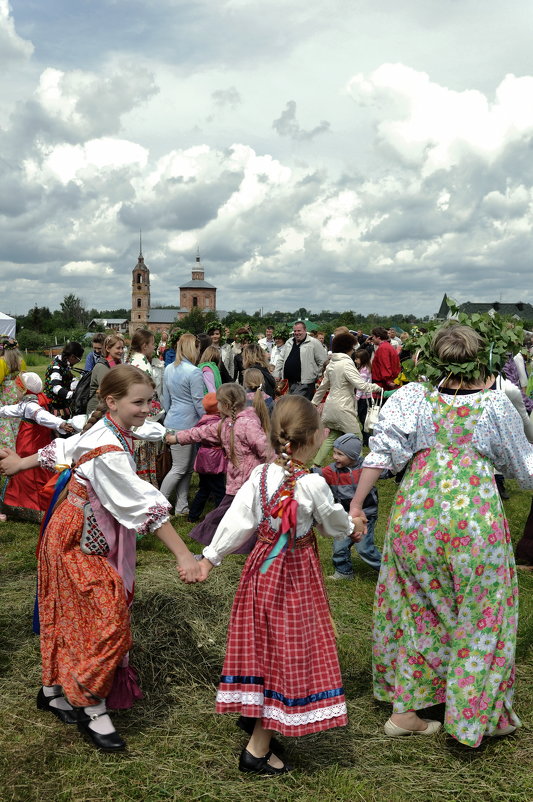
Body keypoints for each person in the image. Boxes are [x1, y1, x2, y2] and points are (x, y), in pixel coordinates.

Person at [349, 323, 533, 746]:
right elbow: (525, 471)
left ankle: (405, 711)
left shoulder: (414, 396)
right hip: (474, 523)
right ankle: (475, 718)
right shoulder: (495, 406)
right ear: (482, 357)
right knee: (483, 615)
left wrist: (357, 504)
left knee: (418, 609)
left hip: (416, 519)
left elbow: (382, 451)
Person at [0, 365, 200, 752]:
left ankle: (52, 690)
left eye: (148, 401)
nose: (146, 409)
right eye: (137, 402)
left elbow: (62, 448)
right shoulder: (108, 449)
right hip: (76, 536)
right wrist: (184, 555)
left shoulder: (108, 428)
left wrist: (20, 463)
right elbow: (143, 505)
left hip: (78, 529)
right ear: (112, 402)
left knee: (72, 610)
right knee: (109, 618)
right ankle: (90, 702)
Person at [186, 395, 364, 775]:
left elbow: (239, 520)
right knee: (288, 650)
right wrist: (353, 528)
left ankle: (253, 715)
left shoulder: (263, 474)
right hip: (294, 576)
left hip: (261, 571)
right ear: (316, 437)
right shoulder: (313, 483)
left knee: (263, 643)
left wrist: (210, 557)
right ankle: (257, 748)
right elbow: (332, 523)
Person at [167, 383, 269, 552]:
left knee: (228, 513)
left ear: (227, 405)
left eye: (219, 403)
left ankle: (214, 541)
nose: (218, 407)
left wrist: (278, 467)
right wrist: (177, 438)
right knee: (237, 513)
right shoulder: (226, 424)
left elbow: (264, 447)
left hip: (249, 481)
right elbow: (201, 432)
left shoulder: (247, 424)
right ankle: (233, 543)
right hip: (235, 480)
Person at [0, 372, 72, 522]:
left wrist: (60, 423)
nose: (17, 392)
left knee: (27, 472)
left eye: (18, 389)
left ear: (25, 390)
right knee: (39, 470)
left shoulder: (31, 405)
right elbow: (11, 410)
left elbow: (42, 416)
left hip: (29, 442)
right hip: (40, 440)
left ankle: (24, 505)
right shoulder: (34, 401)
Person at [313, 434, 382, 577]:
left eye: (340, 454)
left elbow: (383, 470)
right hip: (344, 515)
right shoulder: (332, 471)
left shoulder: (366, 468)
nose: (334, 457)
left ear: (354, 456)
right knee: (339, 546)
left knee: (364, 548)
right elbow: (316, 474)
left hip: (365, 514)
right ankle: (343, 571)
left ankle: (387, 572)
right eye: (334, 452)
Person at [311, 333, 380, 466]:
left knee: (332, 437)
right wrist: (376, 387)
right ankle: (359, 468)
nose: (354, 351)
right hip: (343, 408)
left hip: (331, 407)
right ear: (348, 348)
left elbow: (323, 387)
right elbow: (361, 385)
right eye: (353, 348)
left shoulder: (332, 364)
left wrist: (314, 402)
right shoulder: (347, 364)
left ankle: (315, 465)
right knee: (357, 438)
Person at [160, 333, 204, 516]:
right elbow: (198, 402)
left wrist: (170, 414)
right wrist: (207, 422)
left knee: (185, 468)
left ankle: (182, 506)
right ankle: (159, 505)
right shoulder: (194, 372)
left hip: (172, 420)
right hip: (188, 423)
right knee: (179, 468)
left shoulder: (169, 368)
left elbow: (165, 399)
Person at [127, 329, 163, 486]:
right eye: (152, 343)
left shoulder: (132, 360)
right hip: (142, 417)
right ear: (144, 345)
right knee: (143, 456)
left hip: (130, 414)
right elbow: (148, 394)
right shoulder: (143, 365)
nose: (154, 347)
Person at [187, 392, 227, 523]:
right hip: (214, 460)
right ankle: (221, 517)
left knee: (204, 488)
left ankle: (193, 515)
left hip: (203, 458)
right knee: (220, 489)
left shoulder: (202, 420)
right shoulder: (217, 424)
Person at [274, 321, 327, 400]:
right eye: (295, 331)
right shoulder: (289, 342)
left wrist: (316, 375)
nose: (296, 333)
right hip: (288, 383)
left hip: (304, 384)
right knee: (289, 406)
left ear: (305, 330)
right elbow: (281, 359)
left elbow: (323, 362)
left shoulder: (314, 343)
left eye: (299, 331)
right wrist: (276, 373)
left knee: (298, 407)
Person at [44, 341, 85, 418]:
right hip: (54, 405)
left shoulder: (64, 364)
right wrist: (72, 395)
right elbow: (55, 388)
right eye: (79, 359)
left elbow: (66, 378)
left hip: (61, 403)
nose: (78, 362)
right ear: (72, 357)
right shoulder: (56, 367)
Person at [86, 334, 124, 415]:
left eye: (122, 348)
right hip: (97, 409)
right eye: (118, 348)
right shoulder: (102, 366)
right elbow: (107, 391)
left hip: (109, 406)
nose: (121, 351)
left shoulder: (116, 364)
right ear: (108, 348)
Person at [0, 336, 26, 453]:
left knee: (5, 430)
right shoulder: (21, 361)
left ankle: (7, 455)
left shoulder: (2, 362)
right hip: (18, 398)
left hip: (4, 400)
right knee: (17, 427)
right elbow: (24, 378)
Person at [354, 347, 374, 446]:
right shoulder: (365, 368)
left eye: (357, 358)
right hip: (366, 397)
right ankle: (366, 438)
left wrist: (356, 398)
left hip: (363, 398)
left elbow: (361, 386)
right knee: (363, 419)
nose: (355, 360)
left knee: (363, 419)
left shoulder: (363, 370)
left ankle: (366, 439)